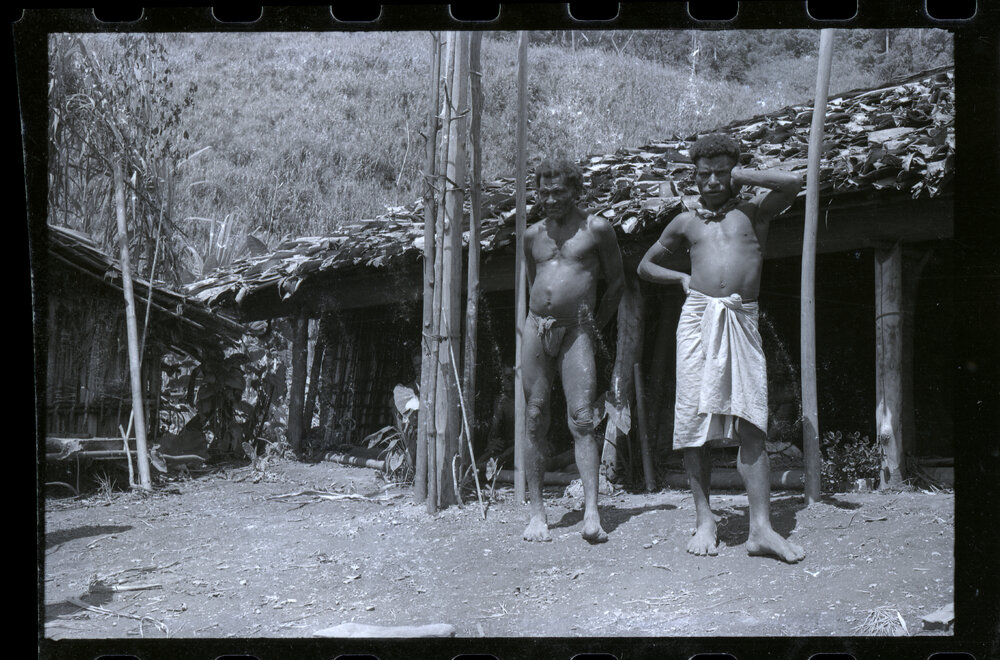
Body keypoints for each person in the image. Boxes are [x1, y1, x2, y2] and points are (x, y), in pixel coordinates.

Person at [637, 133, 806, 563]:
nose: (712, 181)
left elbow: (791, 182)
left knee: (752, 418)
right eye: (704, 174)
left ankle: (761, 529)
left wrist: (742, 174)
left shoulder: (754, 212)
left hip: (741, 318)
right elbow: (645, 265)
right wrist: (679, 279)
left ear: (732, 172)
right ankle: (704, 519)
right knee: (695, 420)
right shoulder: (686, 222)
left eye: (720, 172)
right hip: (697, 318)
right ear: (694, 176)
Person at [521, 158, 624, 544]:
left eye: (559, 191)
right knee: (534, 416)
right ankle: (536, 514)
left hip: (577, 329)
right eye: (544, 192)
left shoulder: (596, 230)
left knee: (581, 418)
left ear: (576, 191)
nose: (550, 198)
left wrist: (592, 325)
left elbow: (615, 284)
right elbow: (535, 284)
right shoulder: (532, 236)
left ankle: (592, 513)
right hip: (537, 328)